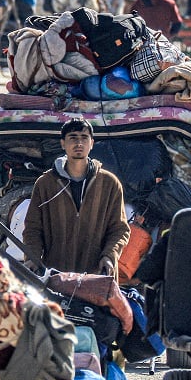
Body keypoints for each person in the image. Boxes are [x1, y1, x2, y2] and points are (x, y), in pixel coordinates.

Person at [22, 118, 129, 276]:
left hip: (97, 277)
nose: (79, 143)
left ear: (91, 143)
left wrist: (109, 256)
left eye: (84, 138)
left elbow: (119, 229)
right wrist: (32, 258)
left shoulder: (109, 183)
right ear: (63, 144)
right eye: (73, 138)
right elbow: (33, 229)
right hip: (56, 276)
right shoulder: (46, 184)